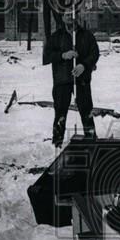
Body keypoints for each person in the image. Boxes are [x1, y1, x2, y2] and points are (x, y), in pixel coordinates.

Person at [42, 11, 100, 149]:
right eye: (67, 14)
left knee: (87, 110)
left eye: (73, 14)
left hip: (82, 81)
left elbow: (95, 54)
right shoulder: (56, 37)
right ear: (62, 17)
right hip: (62, 80)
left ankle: (91, 140)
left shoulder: (87, 35)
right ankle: (57, 143)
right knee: (60, 112)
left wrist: (84, 65)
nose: (71, 17)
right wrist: (63, 55)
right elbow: (46, 56)